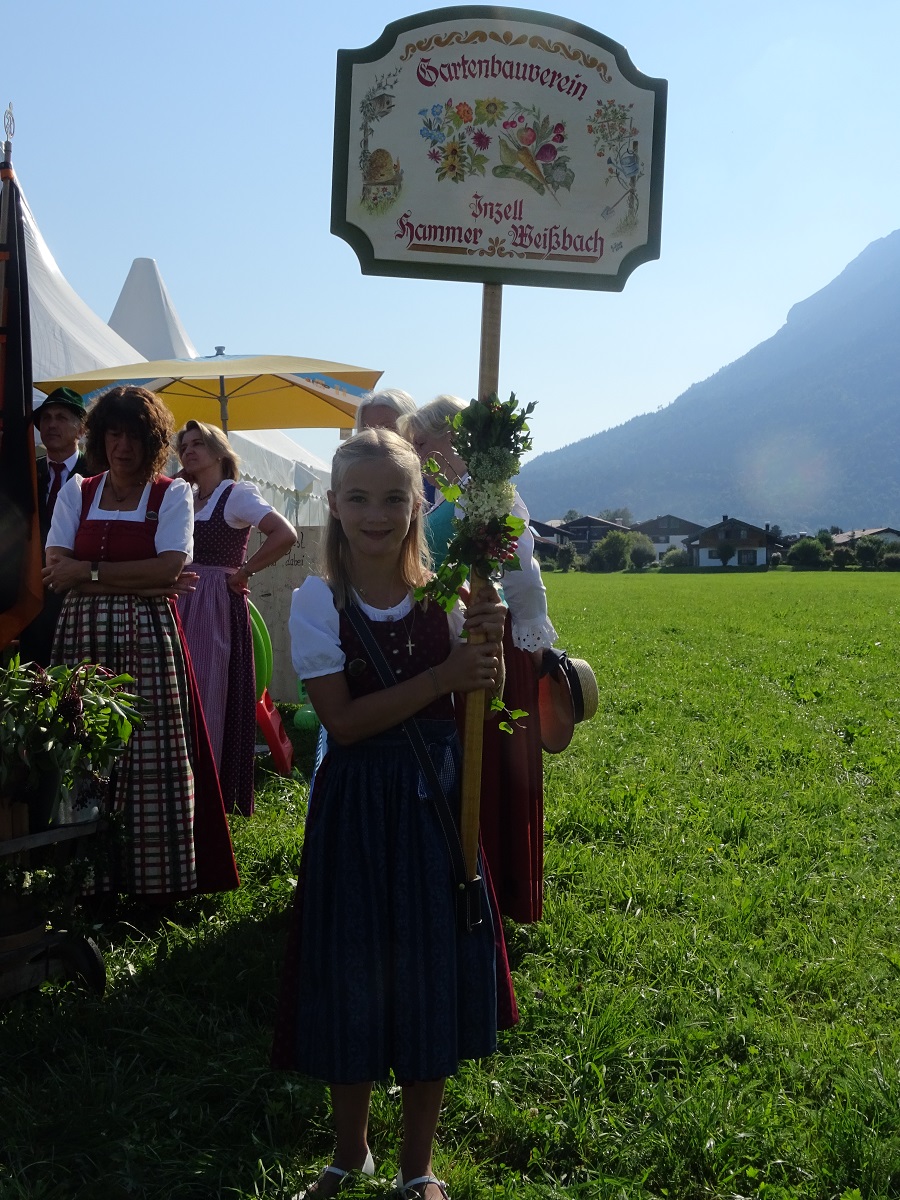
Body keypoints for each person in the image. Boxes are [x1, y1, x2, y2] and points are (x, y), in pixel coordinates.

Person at [272, 429, 518, 1200]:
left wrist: (489, 651)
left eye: (392, 498)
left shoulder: (451, 594)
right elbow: (341, 723)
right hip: (355, 811)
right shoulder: (318, 603)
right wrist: (444, 672)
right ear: (334, 507)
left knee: (425, 977)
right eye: (358, 497)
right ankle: (351, 1152)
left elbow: (480, 697)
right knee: (351, 975)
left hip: (435, 807)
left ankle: (417, 1168)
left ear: (418, 505)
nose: (375, 513)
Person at [44, 386, 238, 903]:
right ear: (100, 435)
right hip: (81, 636)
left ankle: (154, 883)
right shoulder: (78, 491)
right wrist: (141, 579)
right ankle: (86, 882)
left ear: (150, 442)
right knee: (83, 749)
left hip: (147, 639)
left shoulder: (170, 493)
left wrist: (88, 573)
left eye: (134, 435)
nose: (122, 445)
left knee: (151, 757)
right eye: (113, 433)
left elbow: (171, 568)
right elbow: (55, 569)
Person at [401, 394, 558, 924]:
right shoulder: (446, 496)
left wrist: (530, 640)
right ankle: (451, 877)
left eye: (421, 442)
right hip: (448, 638)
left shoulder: (491, 497)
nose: (416, 453)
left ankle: (495, 886)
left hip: (488, 638)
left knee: (490, 760)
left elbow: (518, 570)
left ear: (453, 436)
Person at [174, 420, 296, 816]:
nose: (189, 451)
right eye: (184, 445)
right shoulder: (186, 496)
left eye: (198, 444)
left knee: (210, 691)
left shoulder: (236, 495)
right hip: (180, 600)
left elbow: (284, 533)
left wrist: (244, 571)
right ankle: (179, 784)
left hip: (214, 604)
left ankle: (209, 793)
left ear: (219, 452)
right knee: (179, 694)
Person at [18, 388, 89, 666]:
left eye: (61, 417)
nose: (51, 424)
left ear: (81, 429)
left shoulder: (98, 473)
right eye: (45, 418)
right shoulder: (24, 472)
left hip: (79, 591)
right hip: (30, 596)